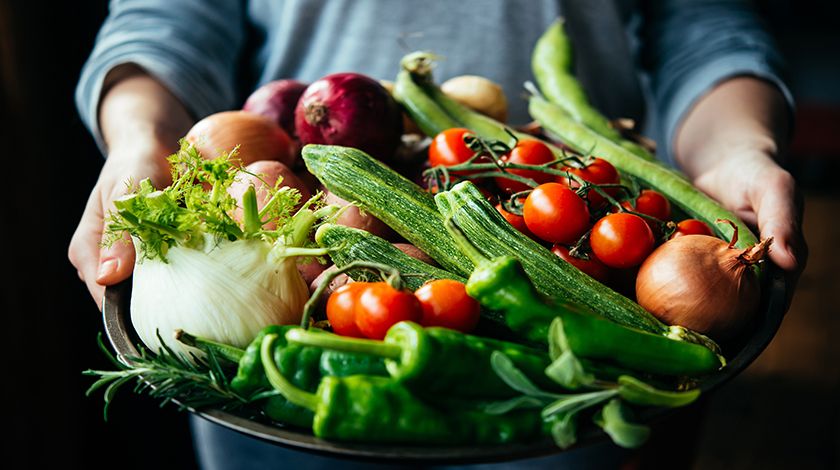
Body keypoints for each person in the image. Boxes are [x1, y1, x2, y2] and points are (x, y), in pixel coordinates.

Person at [69, 0, 807, 468]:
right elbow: (165, 19)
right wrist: (141, 140)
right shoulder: (329, 207)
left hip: (594, 312)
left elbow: (702, 22)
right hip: (280, 300)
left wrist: (739, 146)